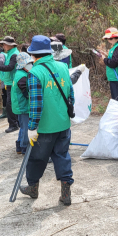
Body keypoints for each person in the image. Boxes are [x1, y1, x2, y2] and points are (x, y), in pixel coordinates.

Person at [20, 35, 75, 206]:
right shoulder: (63, 67)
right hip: (63, 124)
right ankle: (66, 193)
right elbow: (70, 94)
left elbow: (36, 104)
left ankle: (33, 189)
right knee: (62, 156)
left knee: (36, 159)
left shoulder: (35, 73)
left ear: (34, 55)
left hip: (44, 127)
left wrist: (32, 127)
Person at [0, 36, 20, 133]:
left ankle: (13, 124)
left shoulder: (14, 54)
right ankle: (17, 122)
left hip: (13, 82)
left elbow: (10, 67)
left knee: (10, 104)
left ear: (10, 45)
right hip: (9, 82)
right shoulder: (9, 54)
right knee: (12, 103)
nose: (3, 46)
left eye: (4, 44)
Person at [12, 52, 33, 155]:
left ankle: (19, 146)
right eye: (28, 63)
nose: (30, 65)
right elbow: (26, 92)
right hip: (23, 106)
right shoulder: (22, 77)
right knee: (25, 127)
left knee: (22, 127)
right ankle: (25, 147)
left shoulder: (20, 73)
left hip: (20, 106)